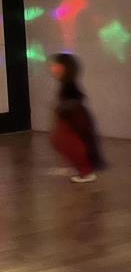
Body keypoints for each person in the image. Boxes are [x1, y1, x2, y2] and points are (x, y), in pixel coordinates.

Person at [49, 53, 105, 183]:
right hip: (69, 118)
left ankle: (86, 173)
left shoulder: (70, 85)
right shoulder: (65, 84)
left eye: (56, 66)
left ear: (65, 68)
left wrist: (64, 108)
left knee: (72, 145)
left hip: (74, 118)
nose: (52, 69)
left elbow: (77, 98)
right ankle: (78, 167)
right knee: (59, 142)